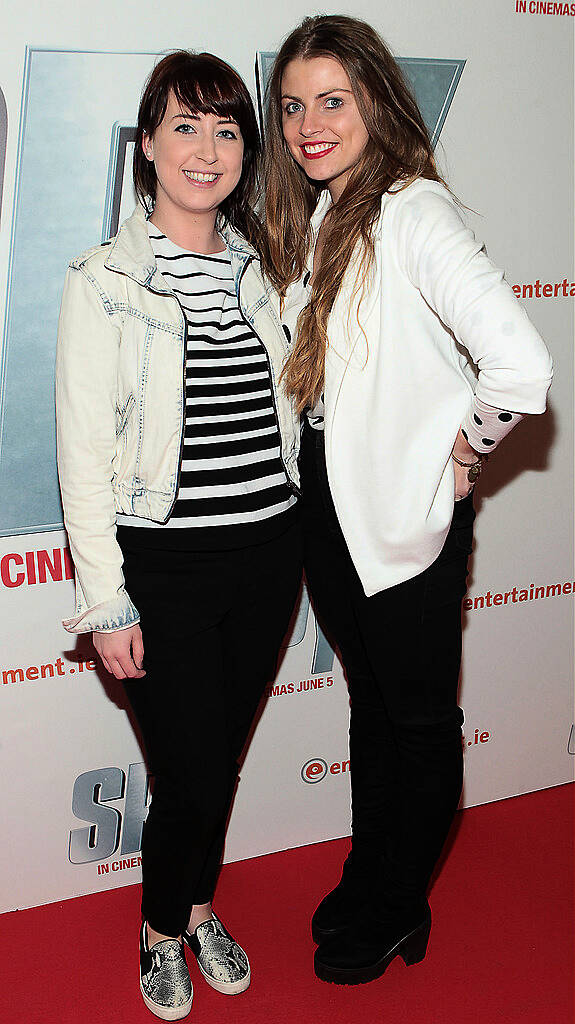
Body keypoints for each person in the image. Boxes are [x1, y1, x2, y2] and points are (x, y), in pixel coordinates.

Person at [261, 15, 553, 986]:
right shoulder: (324, 212)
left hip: (406, 528)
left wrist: (462, 458)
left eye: (331, 101)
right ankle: (372, 878)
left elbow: (519, 367)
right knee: (371, 712)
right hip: (335, 521)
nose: (309, 122)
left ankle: (392, 909)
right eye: (294, 104)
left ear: (377, 102)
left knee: (416, 722)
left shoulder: (412, 210)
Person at [56, 51, 301, 1020]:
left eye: (227, 128)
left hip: (269, 553)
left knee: (217, 758)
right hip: (163, 563)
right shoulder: (104, 282)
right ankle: (162, 929)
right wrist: (106, 597)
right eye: (185, 126)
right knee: (188, 764)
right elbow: (83, 451)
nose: (207, 149)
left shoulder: (266, 269)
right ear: (147, 146)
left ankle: (197, 904)